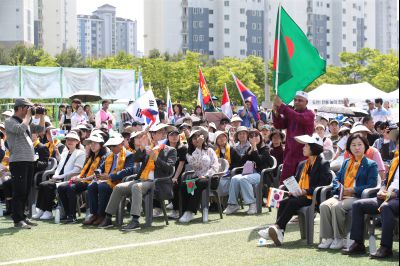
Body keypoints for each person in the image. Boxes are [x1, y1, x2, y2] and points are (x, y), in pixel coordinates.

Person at [99, 123, 177, 230]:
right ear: (152, 135)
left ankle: (135, 220)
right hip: (142, 179)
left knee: (136, 187)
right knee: (118, 187)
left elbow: (169, 169)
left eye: (164, 131)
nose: (163, 133)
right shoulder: (149, 147)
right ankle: (108, 218)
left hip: (156, 182)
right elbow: (136, 159)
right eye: (160, 131)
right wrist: (141, 147)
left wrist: (155, 158)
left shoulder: (170, 150)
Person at [258, 134, 331, 246]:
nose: (303, 148)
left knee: (292, 202)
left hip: (314, 197)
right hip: (300, 196)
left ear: (313, 147)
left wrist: (306, 191)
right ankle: (280, 233)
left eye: (306, 146)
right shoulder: (302, 164)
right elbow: (296, 181)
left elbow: (324, 183)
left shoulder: (323, 163)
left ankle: (276, 228)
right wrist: (289, 188)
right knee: (283, 202)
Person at [344, 128, 398, 258]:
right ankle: (358, 244)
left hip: (395, 198)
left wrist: (393, 194)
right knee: (358, 204)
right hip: (387, 196)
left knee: (386, 207)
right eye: (398, 142)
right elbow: (386, 181)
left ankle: (385, 247)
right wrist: (381, 189)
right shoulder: (395, 160)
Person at [318, 134, 378, 250]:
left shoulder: (371, 164)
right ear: (349, 147)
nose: (357, 148)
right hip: (342, 194)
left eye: (359, 145)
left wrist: (354, 190)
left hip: (357, 196)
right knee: (324, 205)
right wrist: (339, 188)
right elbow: (336, 179)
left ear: (365, 146)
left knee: (337, 206)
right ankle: (328, 237)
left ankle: (339, 238)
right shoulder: (346, 162)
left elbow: (372, 185)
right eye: (353, 145)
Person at [5, 98, 45, 229]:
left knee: (27, 190)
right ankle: (17, 220)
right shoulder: (9, 121)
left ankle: (23, 217)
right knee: (19, 191)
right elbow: (19, 130)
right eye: (28, 108)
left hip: (28, 160)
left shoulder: (26, 122)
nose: (30, 110)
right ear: (21, 108)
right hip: (18, 161)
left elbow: (40, 129)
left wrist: (42, 114)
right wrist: (28, 117)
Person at [33, 132, 86, 220]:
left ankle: (48, 211)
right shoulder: (65, 152)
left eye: (73, 140)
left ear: (77, 141)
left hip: (68, 179)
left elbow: (76, 170)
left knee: (48, 185)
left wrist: (59, 177)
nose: (70, 141)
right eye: (68, 139)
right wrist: (57, 153)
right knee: (42, 184)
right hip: (59, 178)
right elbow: (61, 164)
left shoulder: (80, 153)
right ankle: (42, 209)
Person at [84, 134, 134, 226]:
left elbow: (129, 171)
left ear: (121, 144)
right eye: (110, 146)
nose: (112, 148)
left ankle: (103, 216)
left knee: (102, 186)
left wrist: (110, 176)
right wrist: (98, 173)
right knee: (91, 186)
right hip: (106, 180)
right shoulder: (109, 155)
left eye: (114, 145)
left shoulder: (129, 155)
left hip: (119, 181)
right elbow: (101, 167)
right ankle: (94, 214)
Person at [224, 129, 274, 215]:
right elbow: (241, 162)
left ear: (260, 137)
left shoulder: (265, 148)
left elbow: (259, 161)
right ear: (249, 139)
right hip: (250, 173)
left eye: (256, 135)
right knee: (235, 178)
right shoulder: (250, 149)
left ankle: (252, 204)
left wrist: (254, 148)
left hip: (261, 174)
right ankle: (233, 204)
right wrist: (248, 153)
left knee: (244, 179)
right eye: (251, 136)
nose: (254, 138)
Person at [272, 92, 315, 184]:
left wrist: (281, 106)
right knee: (285, 185)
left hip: (304, 156)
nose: (297, 102)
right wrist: (275, 113)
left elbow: (298, 118)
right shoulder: (292, 114)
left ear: (306, 102)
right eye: (295, 100)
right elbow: (279, 125)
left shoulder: (309, 114)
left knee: (301, 185)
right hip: (290, 156)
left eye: (300, 100)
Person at [179, 127, 219, 223]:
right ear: (191, 140)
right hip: (198, 177)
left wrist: (207, 175)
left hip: (211, 178)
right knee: (185, 184)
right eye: (194, 138)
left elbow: (215, 166)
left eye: (198, 137)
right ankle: (186, 211)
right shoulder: (189, 154)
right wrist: (198, 148)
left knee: (198, 182)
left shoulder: (210, 150)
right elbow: (196, 165)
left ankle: (190, 211)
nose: (197, 140)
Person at [164, 127, 188, 219]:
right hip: (168, 174)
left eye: (176, 135)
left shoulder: (182, 148)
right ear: (167, 136)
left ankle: (177, 210)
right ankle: (157, 208)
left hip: (181, 174)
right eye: (172, 135)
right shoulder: (164, 148)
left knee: (174, 184)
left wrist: (175, 177)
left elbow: (181, 164)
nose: (174, 137)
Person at [214, 131, 243, 197]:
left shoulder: (232, 150)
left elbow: (239, 164)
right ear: (216, 141)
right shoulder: (215, 152)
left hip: (231, 173)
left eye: (223, 137)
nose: (221, 139)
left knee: (220, 182)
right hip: (220, 174)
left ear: (226, 138)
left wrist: (228, 170)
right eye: (219, 138)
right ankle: (215, 203)